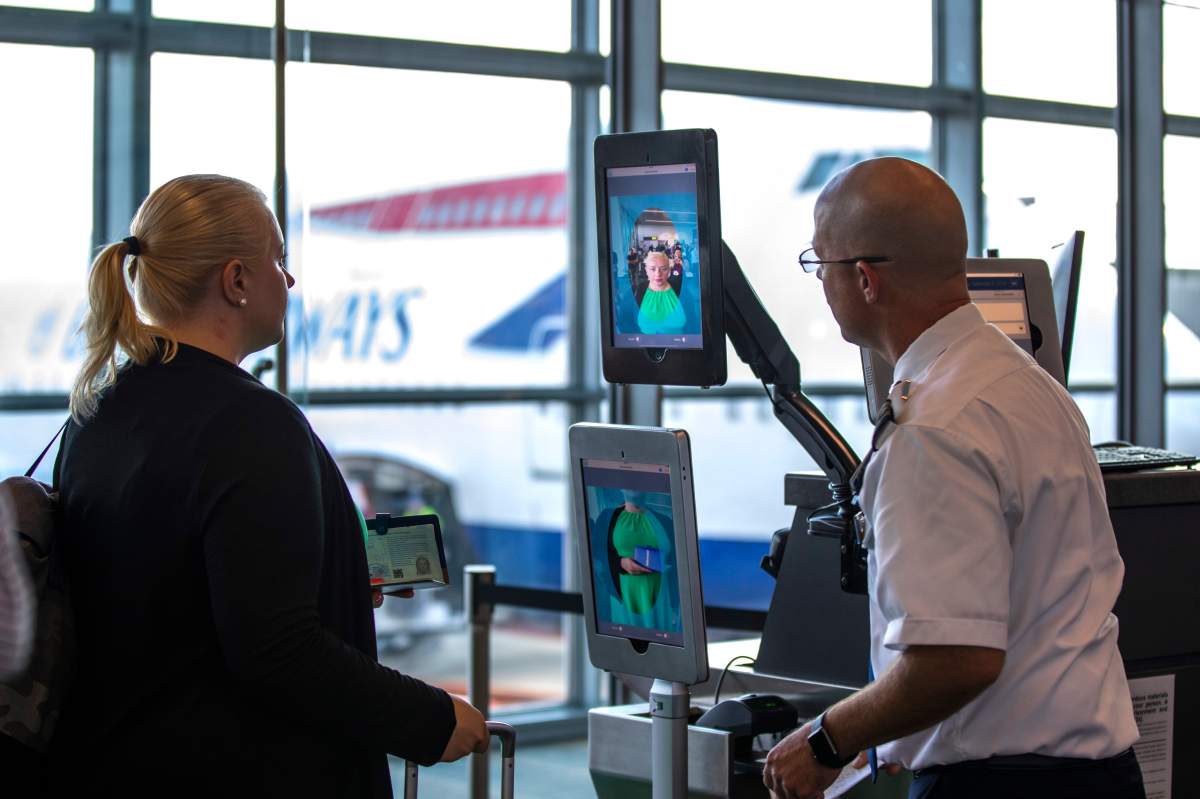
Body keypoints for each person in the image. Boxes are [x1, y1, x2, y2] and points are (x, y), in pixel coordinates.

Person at [48, 175, 488, 798]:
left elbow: (165, 590)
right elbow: (275, 650)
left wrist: (327, 576)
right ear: (236, 281)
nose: (289, 280)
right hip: (238, 767)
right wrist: (432, 719)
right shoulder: (250, 422)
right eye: (278, 260)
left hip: (122, 760)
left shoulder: (99, 409)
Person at [762, 158, 1144, 799]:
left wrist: (829, 739)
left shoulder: (933, 427)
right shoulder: (1030, 387)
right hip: (1097, 777)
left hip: (1000, 786)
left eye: (818, 264)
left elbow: (955, 661)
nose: (819, 283)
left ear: (864, 279)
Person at [635, 250, 686, 335]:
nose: (658, 273)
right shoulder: (638, 290)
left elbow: (693, 322)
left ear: (669, 270)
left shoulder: (680, 289)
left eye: (663, 269)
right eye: (652, 269)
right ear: (646, 270)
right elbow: (627, 324)